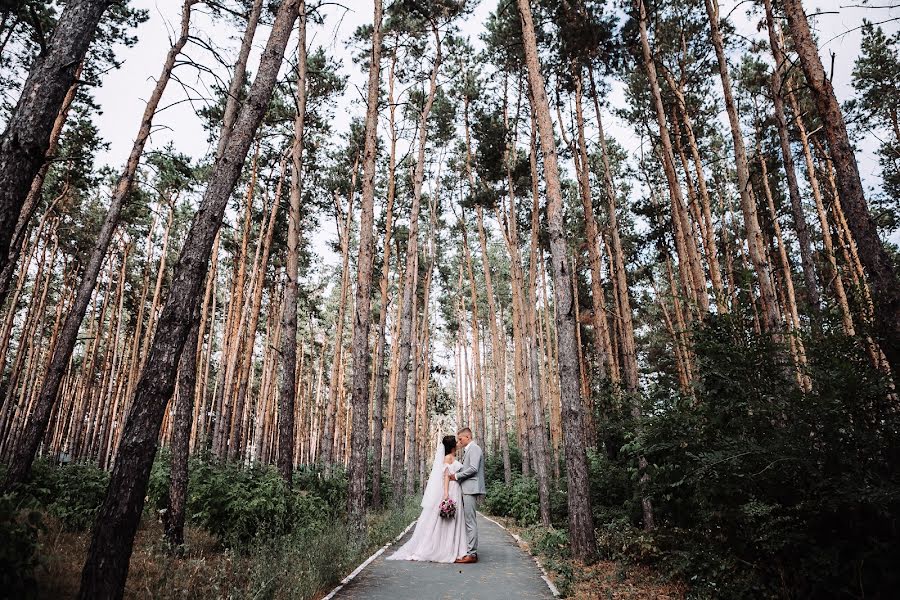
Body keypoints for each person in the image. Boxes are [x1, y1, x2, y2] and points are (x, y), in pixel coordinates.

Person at [386, 435, 467, 563]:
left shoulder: (452, 456)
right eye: (456, 442)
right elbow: (445, 476)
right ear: (451, 446)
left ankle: (453, 546)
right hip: (450, 489)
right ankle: (442, 548)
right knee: (447, 519)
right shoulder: (448, 458)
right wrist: (446, 493)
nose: (458, 443)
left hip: (455, 488)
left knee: (454, 518)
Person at [449, 427, 485, 563]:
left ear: (468, 437)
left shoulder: (474, 448)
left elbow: (473, 468)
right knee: (469, 521)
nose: (459, 441)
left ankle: (472, 554)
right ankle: (471, 551)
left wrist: (456, 476)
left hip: (470, 488)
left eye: (460, 439)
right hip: (467, 488)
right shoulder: (469, 449)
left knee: (470, 521)